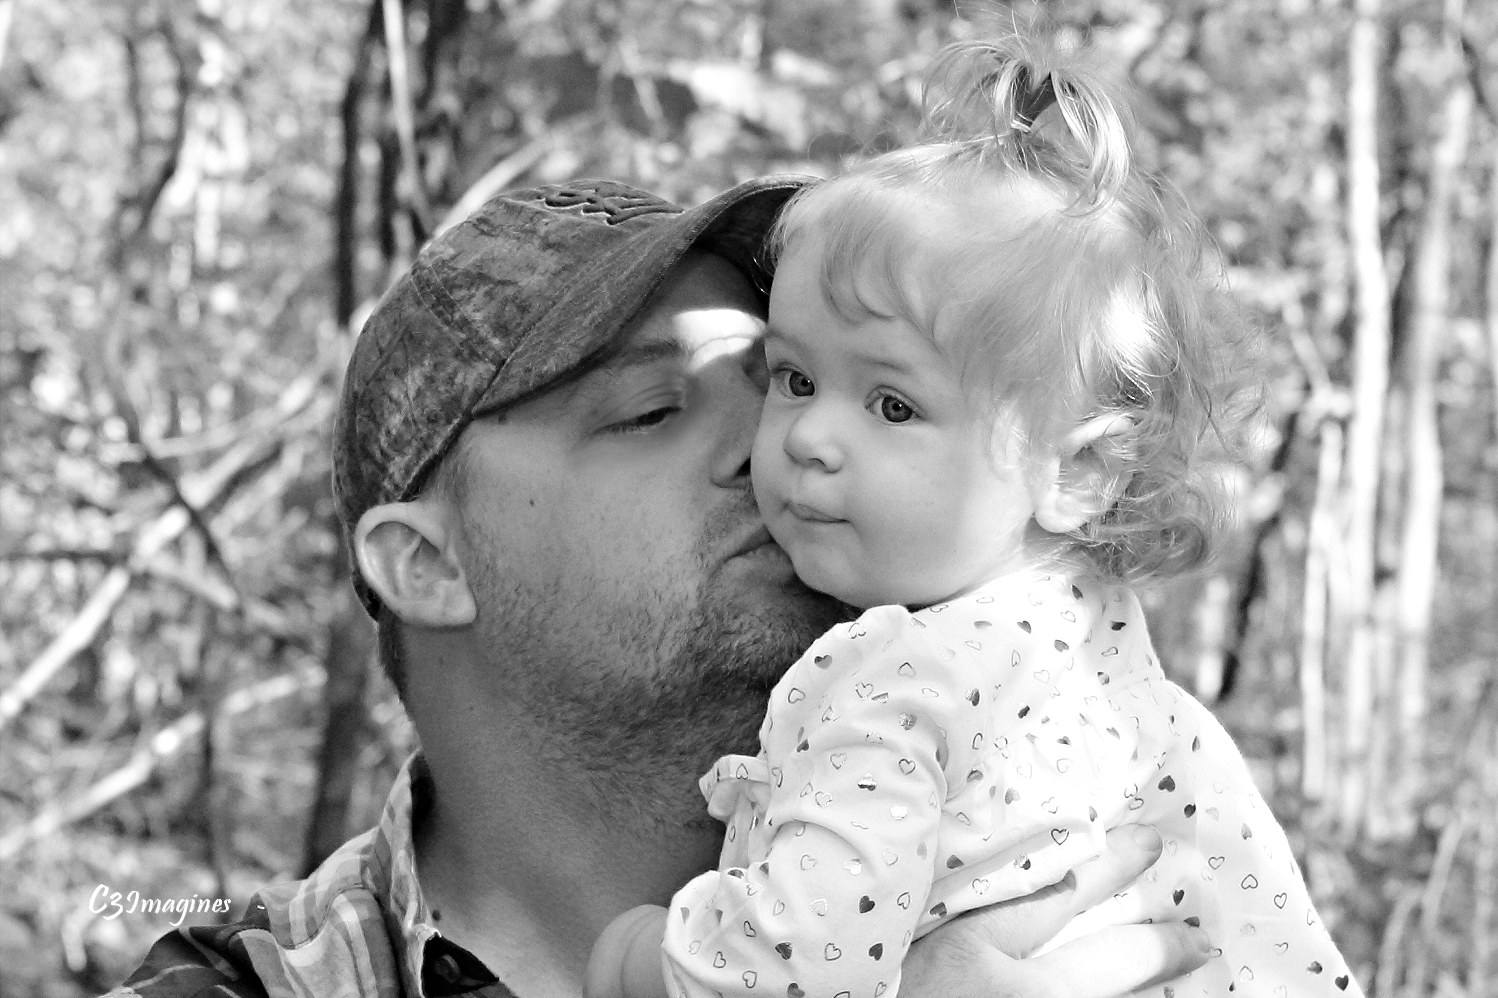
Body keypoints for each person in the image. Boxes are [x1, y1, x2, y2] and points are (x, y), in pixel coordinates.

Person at [106, 174, 1214, 998]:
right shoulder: (243, 986)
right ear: (429, 564)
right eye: (650, 411)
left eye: (781, 382)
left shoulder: (1075, 849)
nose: (782, 449)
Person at [584, 33, 1363, 998]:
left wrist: (634, 958)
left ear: (1076, 474)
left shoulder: (899, 680)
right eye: (795, 377)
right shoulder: (1130, 700)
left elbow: (786, 973)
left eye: (893, 404)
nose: (807, 437)